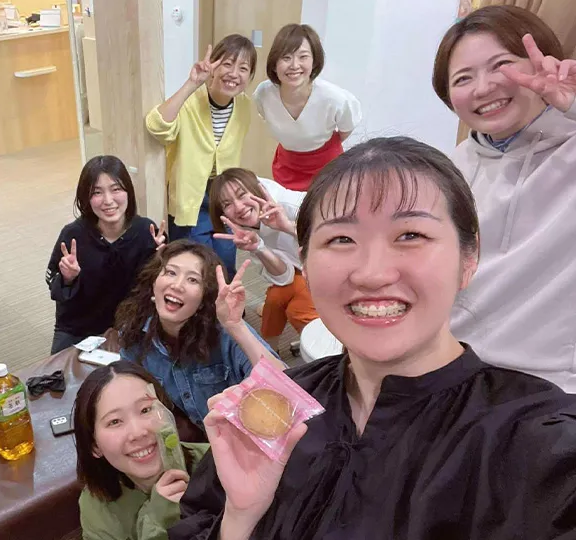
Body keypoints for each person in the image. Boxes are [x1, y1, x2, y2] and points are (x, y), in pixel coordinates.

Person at [169, 137, 576, 540]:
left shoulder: (535, 439)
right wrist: (239, 520)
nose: (372, 274)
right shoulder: (275, 406)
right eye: (341, 239)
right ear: (305, 262)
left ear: (468, 259)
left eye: (410, 235)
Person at [432, 5, 576, 393]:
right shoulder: (455, 164)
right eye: (463, 78)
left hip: (549, 386)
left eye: (501, 66)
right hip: (451, 365)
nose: (483, 88)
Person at [116, 240, 281, 427]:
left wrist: (237, 326)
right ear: (154, 282)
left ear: (204, 298)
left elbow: (285, 385)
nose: (177, 285)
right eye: (171, 273)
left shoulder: (225, 330)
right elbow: (131, 396)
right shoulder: (134, 332)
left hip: (240, 433)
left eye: (193, 279)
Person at [145, 35, 258, 277]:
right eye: (227, 64)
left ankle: (227, 300)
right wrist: (192, 83)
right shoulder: (189, 102)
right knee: (196, 264)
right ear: (213, 66)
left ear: (250, 77)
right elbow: (156, 126)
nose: (234, 74)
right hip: (190, 196)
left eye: (243, 68)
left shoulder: (244, 106)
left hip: (224, 197)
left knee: (226, 260)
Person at [75, 360, 210, 540]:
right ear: (94, 446)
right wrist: (157, 518)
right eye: (115, 421)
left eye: (145, 410)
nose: (138, 433)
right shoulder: (97, 507)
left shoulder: (213, 462)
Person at [46, 155, 165, 354]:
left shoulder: (148, 232)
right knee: (58, 372)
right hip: (78, 328)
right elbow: (54, 284)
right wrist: (68, 278)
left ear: (128, 191)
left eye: (116, 189)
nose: (108, 201)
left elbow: (157, 293)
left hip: (132, 325)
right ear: (86, 198)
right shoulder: (73, 235)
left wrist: (162, 262)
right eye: (97, 192)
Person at [208, 168, 317, 338]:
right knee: (275, 297)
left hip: (338, 271)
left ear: (256, 188)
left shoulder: (293, 204)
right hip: (305, 270)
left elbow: (341, 241)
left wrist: (288, 227)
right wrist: (258, 247)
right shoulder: (246, 230)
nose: (239, 207)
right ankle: (269, 350)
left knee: (297, 309)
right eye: (227, 204)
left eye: (242, 194)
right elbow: (285, 277)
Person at [253, 24, 361, 191]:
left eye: (303, 57)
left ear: (314, 61)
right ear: (274, 64)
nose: (294, 65)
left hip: (327, 169)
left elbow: (346, 129)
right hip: (286, 167)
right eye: (286, 57)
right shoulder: (263, 94)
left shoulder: (335, 98)